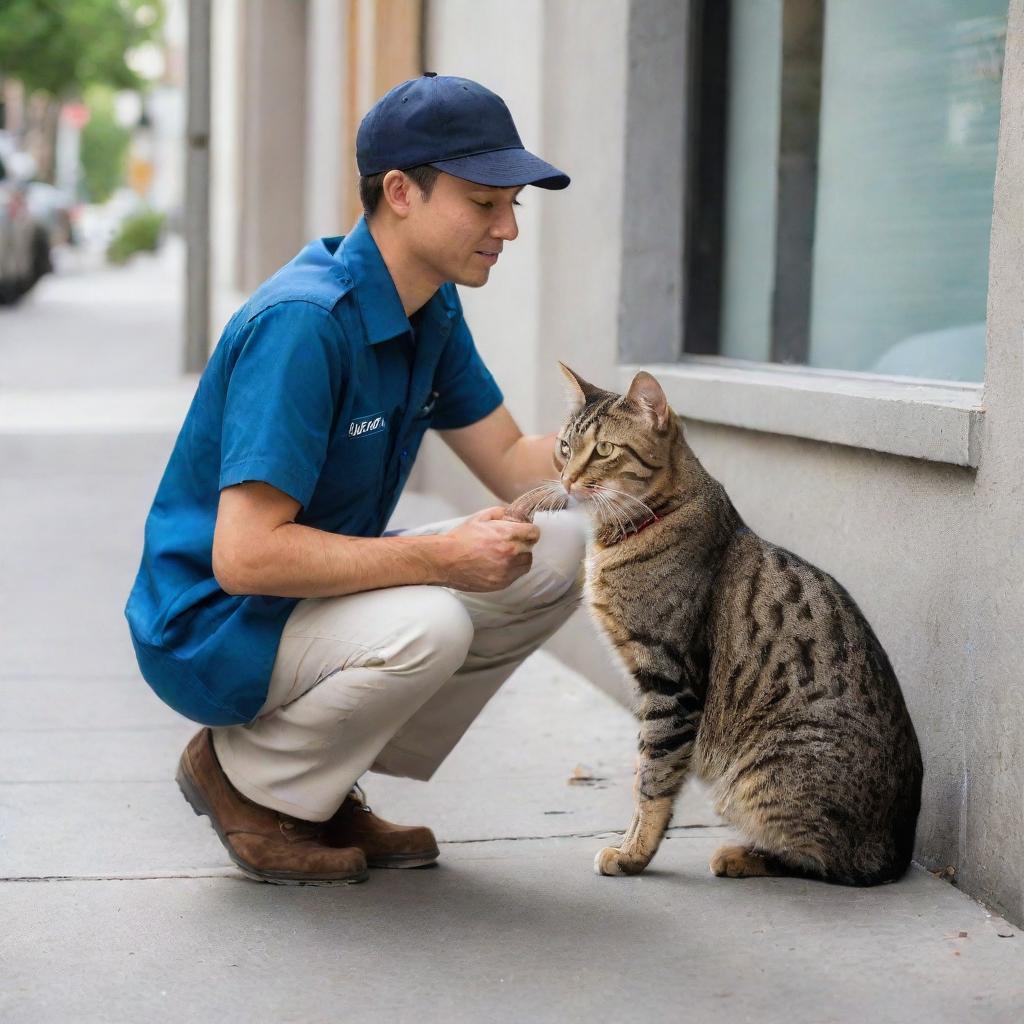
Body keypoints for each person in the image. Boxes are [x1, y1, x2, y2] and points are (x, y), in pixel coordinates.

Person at [124, 73, 586, 886]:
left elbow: (513, 463)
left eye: (514, 205)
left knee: (556, 545)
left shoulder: (430, 309)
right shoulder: (305, 326)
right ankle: (246, 781)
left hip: (301, 599)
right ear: (401, 191)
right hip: (214, 624)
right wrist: (441, 561)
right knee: (432, 620)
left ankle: (318, 784)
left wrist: (637, 442)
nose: (509, 227)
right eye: (485, 204)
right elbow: (246, 558)